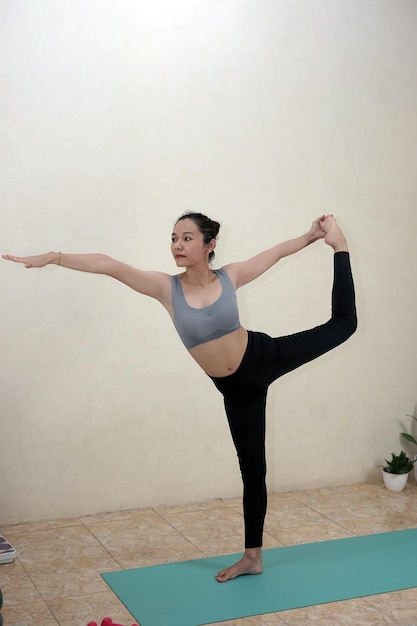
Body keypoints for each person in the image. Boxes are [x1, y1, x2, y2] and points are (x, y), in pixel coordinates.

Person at [3, 213, 357, 582]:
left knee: (344, 325)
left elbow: (279, 251)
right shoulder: (165, 288)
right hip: (238, 393)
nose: (177, 245)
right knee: (254, 472)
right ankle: (253, 558)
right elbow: (110, 265)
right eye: (174, 238)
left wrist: (315, 236)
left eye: (187, 238)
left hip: (263, 357)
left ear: (210, 245)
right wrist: (55, 257)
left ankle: (342, 246)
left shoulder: (230, 276)